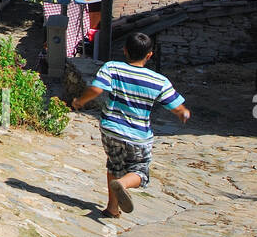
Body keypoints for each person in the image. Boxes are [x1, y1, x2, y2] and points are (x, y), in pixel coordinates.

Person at [70, 31, 190, 217]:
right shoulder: (159, 81)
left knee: (114, 165)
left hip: (110, 130)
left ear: (124, 50)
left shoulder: (112, 68)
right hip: (137, 136)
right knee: (140, 172)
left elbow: (96, 88)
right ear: (149, 55)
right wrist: (183, 112)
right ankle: (124, 184)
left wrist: (80, 101)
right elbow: (175, 106)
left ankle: (112, 208)